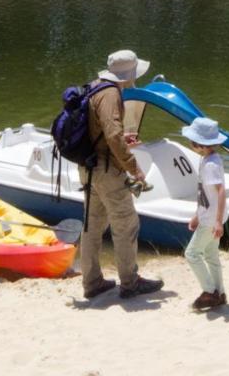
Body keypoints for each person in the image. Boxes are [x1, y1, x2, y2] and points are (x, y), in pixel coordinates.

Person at [80, 49, 164, 300]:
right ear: (129, 75)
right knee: (126, 224)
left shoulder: (93, 88)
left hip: (87, 167)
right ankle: (130, 282)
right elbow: (113, 135)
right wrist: (134, 168)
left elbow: (101, 132)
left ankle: (92, 282)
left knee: (92, 226)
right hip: (106, 170)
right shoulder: (111, 94)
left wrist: (119, 140)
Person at [182, 117, 228, 311]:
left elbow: (221, 191)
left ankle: (209, 291)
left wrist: (217, 222)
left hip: (211, 220)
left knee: (191, 253)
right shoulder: (209, 160)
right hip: (207, 217)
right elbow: (204, 195)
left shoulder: (210, 165)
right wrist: (196, 215)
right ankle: (220, 292)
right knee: (210, 254)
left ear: (199, 144)